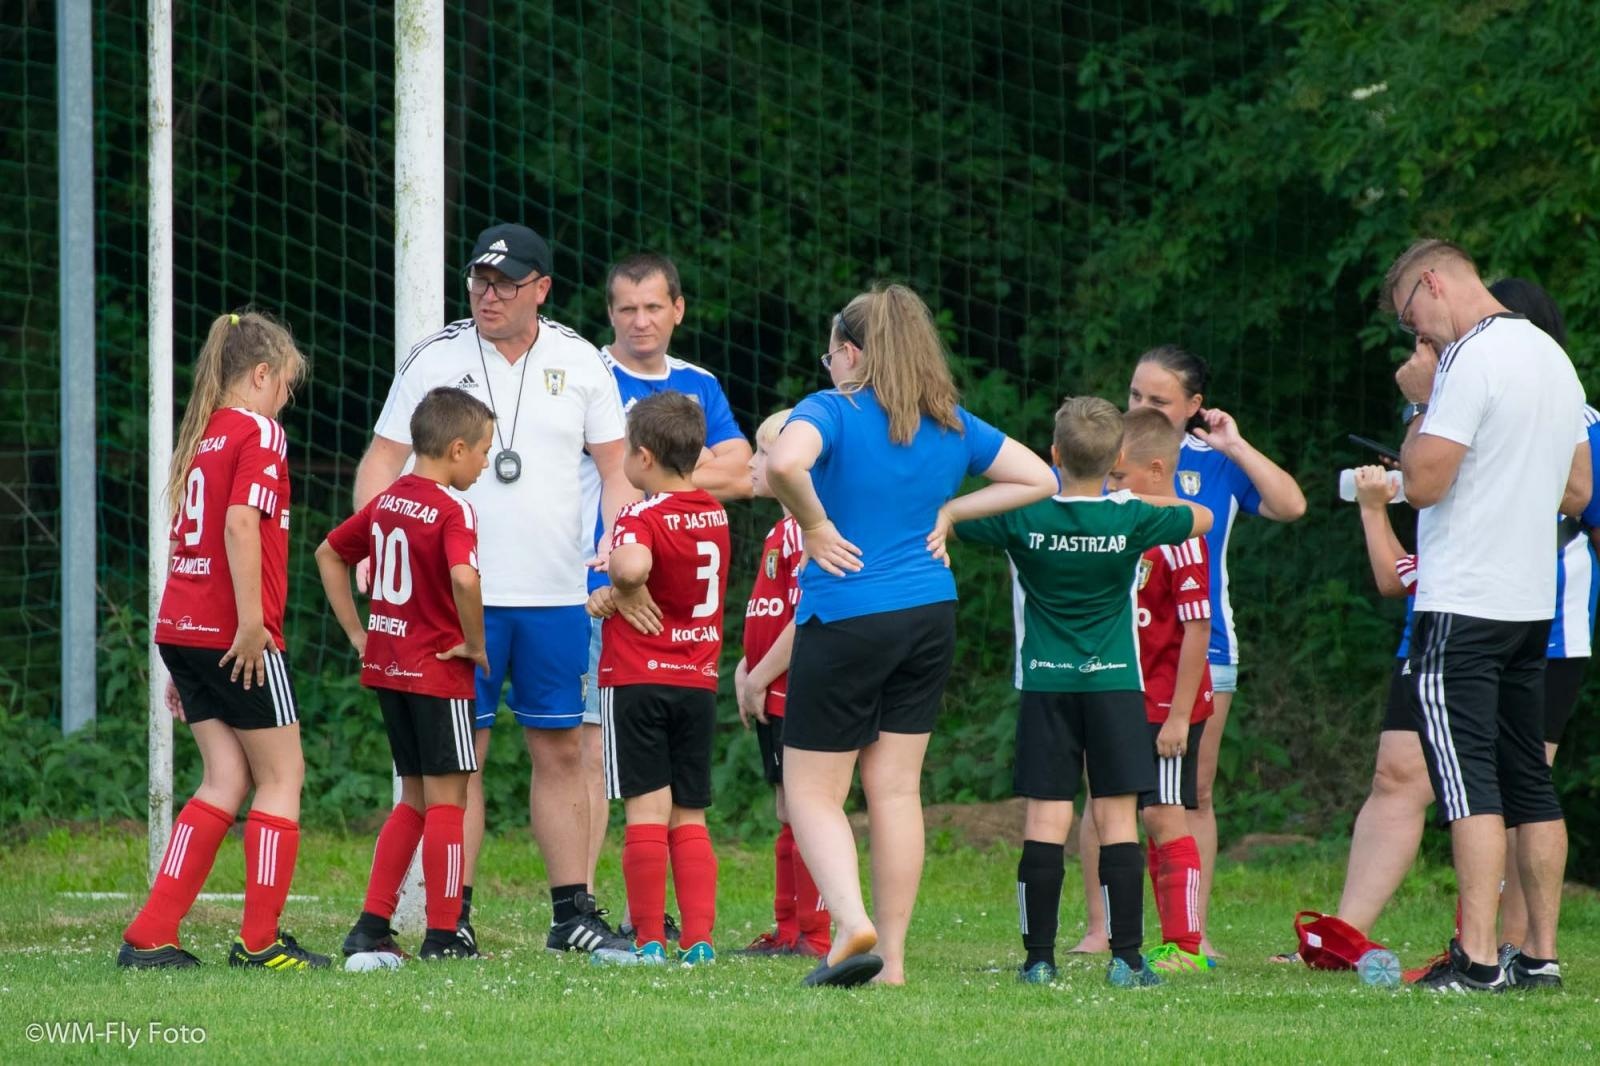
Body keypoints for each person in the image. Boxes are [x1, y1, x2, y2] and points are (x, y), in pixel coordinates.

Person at [354, 223, 634, 958]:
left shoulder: (580, 361)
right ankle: (455, 914)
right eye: (480, 280)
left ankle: (573, 911)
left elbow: (615, 470)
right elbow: (382, 460)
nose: (488, 294)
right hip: (449, 602)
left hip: (555, 592)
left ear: (541, 289)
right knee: (458, 758)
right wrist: (370, 547)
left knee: (563, 749)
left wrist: (615, 545)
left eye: (506, 283)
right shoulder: (436, 356)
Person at [766, 283, 1058, 988]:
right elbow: (1041, 478)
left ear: (853, 353)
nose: (827, 364)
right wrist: (953, 511)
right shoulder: (950, 421)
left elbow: (781, 462)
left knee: (811, 791)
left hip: (846, 617)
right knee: (895, 790)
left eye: (831, 350)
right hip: (929, 614)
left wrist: (816, 524)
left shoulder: (829, 410)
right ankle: (890, 962)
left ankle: (849, 922)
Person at [1386, 238, 1589, 992]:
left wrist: (1419, 398)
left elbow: (1427, 482)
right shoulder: (1552, 359)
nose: (1423, 338)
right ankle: (1538, 955)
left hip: (1464, 599)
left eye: (1416, 316)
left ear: (1433, 283)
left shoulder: (1469, 357)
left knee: (1468, 780)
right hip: (1530, 603)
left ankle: (1474, 962)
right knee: (1528, 781)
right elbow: (1576, 490)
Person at [954, 397, 1212, 988]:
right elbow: (1199, 516)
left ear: (1052, 455)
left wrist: (1028, 489)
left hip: (1046, 683)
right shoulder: (1130, 518)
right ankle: (1127, 959)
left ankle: (1039, 960)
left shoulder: (1023, 516)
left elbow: (959, 519)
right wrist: (1125, 501)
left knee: (1046, 819)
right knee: (1118, 818)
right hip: (1116, 685)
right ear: (1119, 457)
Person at [1069, 346, 1305, 957]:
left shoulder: (1211, 463)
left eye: (1158, 400)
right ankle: (1102, 928)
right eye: (1135, 395)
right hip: (1118, 649)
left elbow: (1290, 505)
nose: (1140, 407)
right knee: (1104, 789)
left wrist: (1235, 444)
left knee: (1189, 792)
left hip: (1203, 648)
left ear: (1195, 407)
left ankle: (1188, 932)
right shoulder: (1102, 458)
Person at [119, 310, 326, 970]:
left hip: (182, 627)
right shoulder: (261, 432)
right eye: (287, 385)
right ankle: (260, 943)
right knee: (282, 776)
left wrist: (184, 656)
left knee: (225, 777)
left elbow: (190, 539)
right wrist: (250, 625)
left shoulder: (203, 436)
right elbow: (239, 525)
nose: (286, 400)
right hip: (235, 633)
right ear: (262, 374)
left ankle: (151, 933)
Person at [576, 252, 751, 930]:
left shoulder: (698, 383)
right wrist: (699, 468)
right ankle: (589, 903)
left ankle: (651, 922)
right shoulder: (588, 374)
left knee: (644, 776)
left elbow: (747, 470)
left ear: (678, 308)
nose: (640, 320)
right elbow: (722, 473)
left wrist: (673, 484)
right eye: (626, 308)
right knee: (592, 752)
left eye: (653, 306)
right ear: (610, 313)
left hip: (649, 592)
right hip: (591, 585)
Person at [317, 387, 495, 961]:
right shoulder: (451, 507)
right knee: (449, 802)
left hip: (389, 666)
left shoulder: (391, 499)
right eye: (484, 451)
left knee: (413, 799)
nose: (488, 462)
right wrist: (473, 640)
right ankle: (444, 935)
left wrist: (356, 632)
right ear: (458, 448)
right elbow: (465, 579)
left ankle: (371, 924)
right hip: (436, 670)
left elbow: (328, 552)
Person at [585, 392, 731, 965]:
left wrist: (621, 584)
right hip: (696, 678)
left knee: (646, 810)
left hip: (638, 677)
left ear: (643, 457)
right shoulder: (714, 512)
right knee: (690, 812)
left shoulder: (639, 513)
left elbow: (634, 565)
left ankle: (647, 938)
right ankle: (698, 940)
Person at [1106, 407, 1217, 976]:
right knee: (1141, 815)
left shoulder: (1178, 531)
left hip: (1167, 705)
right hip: (1129, 697)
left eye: (1118, 477)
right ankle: (1160, 939)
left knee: (1166, 816)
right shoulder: (1128, 527)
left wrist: (1178, 716)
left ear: (1154, 470)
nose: (1110, 487)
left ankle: (1189, 947)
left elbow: (1199, 626)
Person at [732, 409, 830, 959]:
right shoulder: (780, 528)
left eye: (763, 453)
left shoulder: (810, 530)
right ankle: (788, 928)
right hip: (769, 686)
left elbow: (807, 615)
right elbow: (770, 611)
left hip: (798, 688)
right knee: (786, 808)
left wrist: (761, 675)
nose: (750, 461)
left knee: (804, 806)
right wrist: (748, 670)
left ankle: (814, 935)